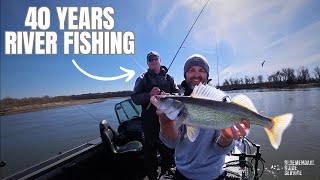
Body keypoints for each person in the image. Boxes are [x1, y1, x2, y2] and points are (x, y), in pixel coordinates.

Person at [157, 54, 250, 180]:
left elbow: (221, 150)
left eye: (201, 70)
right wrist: (165, 122)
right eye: (191, 70)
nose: (196, 75)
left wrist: (227, 137)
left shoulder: (222, 101)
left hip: (213, 175)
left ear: (207, 75)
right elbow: (171, 143)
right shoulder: (177, 102)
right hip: (181, 173)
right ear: (185, 74)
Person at [131, 51, 179, 180]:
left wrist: (169, 95)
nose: (153, 61)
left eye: (155, 58)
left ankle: (166, 175)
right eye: (150, 59)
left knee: (168, 151)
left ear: (160, 60)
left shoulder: (170, 78)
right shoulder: (142, 78)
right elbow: (135, 98)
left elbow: (179, 95)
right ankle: (152, 177)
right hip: (149, 122)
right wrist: (149, 94)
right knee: (150, 153)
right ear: (147, 63)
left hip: (167, 120)